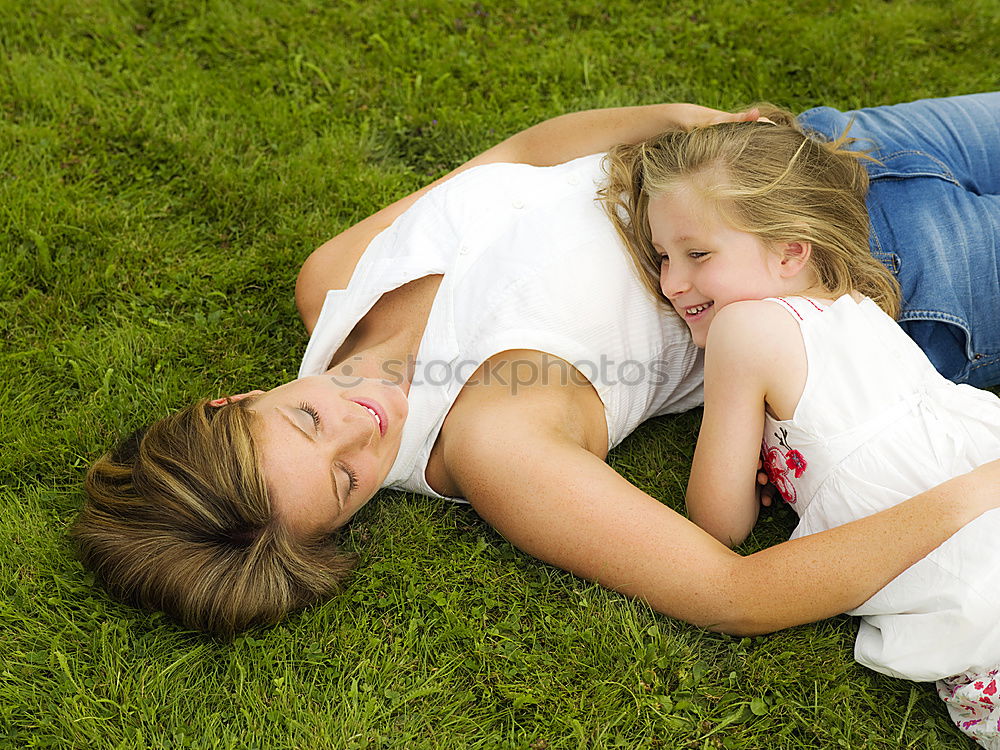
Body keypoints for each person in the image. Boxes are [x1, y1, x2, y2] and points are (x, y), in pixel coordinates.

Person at [75, 97, 1000, 650]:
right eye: (348, 482)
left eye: (308, 424)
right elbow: (732, 593)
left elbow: (517, 156)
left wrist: (682, 126)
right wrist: (977, 493)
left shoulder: (331, 283)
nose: (365, 424)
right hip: (902, 281)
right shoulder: (492, 445)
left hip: (814, 153)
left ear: (233, 402)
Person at [604, 104, 1000, 746]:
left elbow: (717, 522)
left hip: (958, 551)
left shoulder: (742, 328)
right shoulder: (855, 305)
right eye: (662, 259)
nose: (673, 283)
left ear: (790, 251)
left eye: (697, 254)